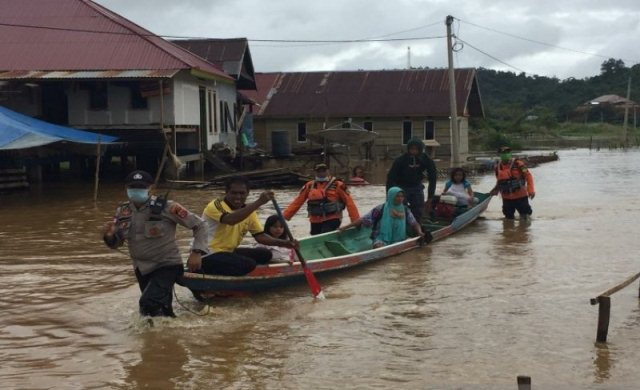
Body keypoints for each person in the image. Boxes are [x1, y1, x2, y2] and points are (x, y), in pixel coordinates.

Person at [103, 170, 208, 318]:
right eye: (133, 187)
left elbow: (200, 225)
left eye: (141, 186)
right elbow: (116, 244)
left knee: (148, 303)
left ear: (151, 188)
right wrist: (109, 235)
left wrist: (196, 252)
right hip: (141, 268)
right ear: (125, 189)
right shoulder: (123, 211)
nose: (136, 190)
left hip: (166, 265)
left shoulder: (168, 207)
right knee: (157, 312)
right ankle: (168, 336)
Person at [189, 176, 297, 276]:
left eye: (242, 193)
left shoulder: (249, 211)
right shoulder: (215, 205)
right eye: (234, 193)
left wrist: (285, 243)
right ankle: (208, 273)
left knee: (265, 254)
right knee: (248, 264)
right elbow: (231, 219)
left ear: (247, 193)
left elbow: (260, 236)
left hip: (228, 251)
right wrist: (259, 202)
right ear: (226, 192)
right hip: (207, 253)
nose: (238, 197)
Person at [283, 163, 360, 235]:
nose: (321, 173)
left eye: (323, 171)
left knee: (325, 234)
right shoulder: (309, 185)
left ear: (328, 171)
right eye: (319, 171)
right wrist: (284, 217)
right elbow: (298, 202)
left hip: (332, 218)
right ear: (315, 172)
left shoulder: (337, 185)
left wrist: (355, 221)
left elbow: (350, 203)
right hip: (315, 219)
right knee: (314, 237)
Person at [338, 187, 425, 248]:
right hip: (382, 238)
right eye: (397, 196)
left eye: (402, 196)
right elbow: (364, 220)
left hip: (400, 239)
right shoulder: (381, 208)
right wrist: (345, 227)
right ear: (391, 196)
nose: (400, 198)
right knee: (378, 247)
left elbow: (414, 223)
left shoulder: (405, 210)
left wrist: (419, 232)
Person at [386, 136, 438, 222]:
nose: (413, 151)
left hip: (417, 187)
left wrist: (430, 197)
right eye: (411, 149)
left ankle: (417, 228)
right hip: (401, 187)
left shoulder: (426, 159)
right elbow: (390, 179)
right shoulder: (400, 160)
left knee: (418, 211)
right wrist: (389, 196)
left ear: (420, 149)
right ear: (408, 149)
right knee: (400, 209)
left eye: (416, 149)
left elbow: (433, 178)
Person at [490, 146, 536, 219]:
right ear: (499, 155)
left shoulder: (519, 164)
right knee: (508, 219)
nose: (506, 154)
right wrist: (495, 190)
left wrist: (531, 190)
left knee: (525, 218)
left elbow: (528, 176)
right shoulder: (497, 167)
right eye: (504, 153)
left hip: (520, 197)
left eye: (508, 152)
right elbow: (499, 181)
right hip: (506, 198)